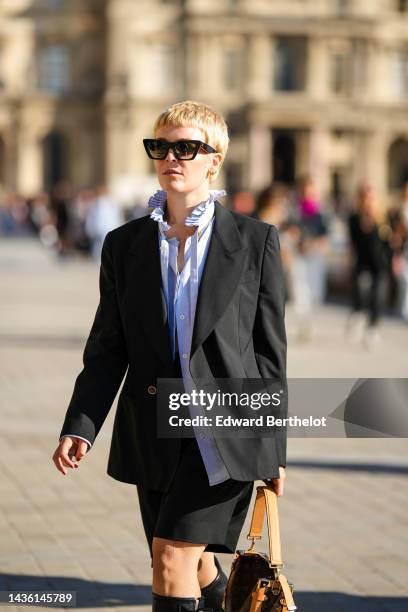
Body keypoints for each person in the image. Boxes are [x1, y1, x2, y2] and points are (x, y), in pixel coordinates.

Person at [52, 100, 288, 612]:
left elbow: (270, 358)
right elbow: (107, 347)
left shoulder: (256, 242)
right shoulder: (123, 245)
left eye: (186, 147)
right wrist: (81, 425)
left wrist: (274, 448)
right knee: (193, 563)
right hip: (154, 430)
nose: (171, 157)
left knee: (169, 559)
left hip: (225, 436)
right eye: (161, 147)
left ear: (214, 159)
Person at [347, 184, 389, 348]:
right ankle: (357, 313)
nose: (368, 201)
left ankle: (373, 328)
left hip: (380, 263)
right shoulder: (354, 218)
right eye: (365, 197)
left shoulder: (383, 218)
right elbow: (352, 243)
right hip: (362, 262)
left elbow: (388, 241)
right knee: (360, 288)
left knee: (378, 296)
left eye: (371, 197)